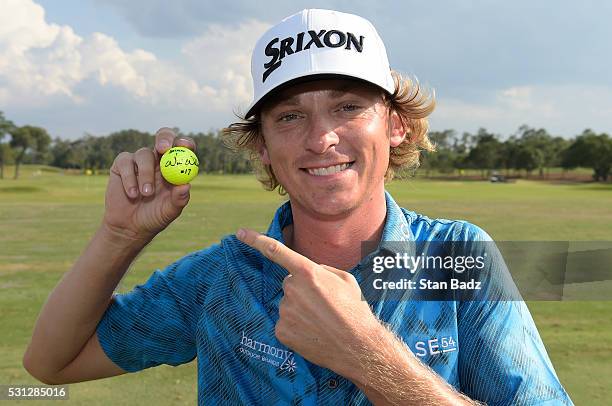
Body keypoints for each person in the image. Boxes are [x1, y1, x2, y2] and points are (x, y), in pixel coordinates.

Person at [24, 9, 573, 405]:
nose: (321, 138)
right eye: (289, 116)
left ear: (395, 125)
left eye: (349, 106)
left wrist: (369, 358)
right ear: (261, 144)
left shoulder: (457, 259)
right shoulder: (225, 277)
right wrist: (120, 235)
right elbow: (50, 364)